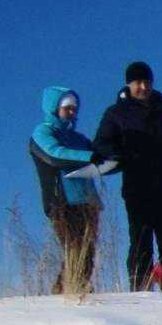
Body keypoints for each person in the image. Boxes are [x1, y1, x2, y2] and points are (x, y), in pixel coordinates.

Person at [93, 60, 162, 294]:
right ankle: (140, 292)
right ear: (128, 84)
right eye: (138, 82)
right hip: (137, 187)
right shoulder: (116, 113)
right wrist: (123, 156)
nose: (143, 87)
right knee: (141, 241)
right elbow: (101, 144)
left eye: (147, 82)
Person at [29, 86, 102, 294]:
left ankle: (73, 291)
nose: (72, 112)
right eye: (67, 108)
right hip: (61, 201)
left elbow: (101, 156)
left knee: (87, 252)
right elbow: (54, 155)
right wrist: (89, 157)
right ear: (54, 108)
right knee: (74, 248)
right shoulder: (43, 132)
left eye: (74, 108)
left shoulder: (79, 139)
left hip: (87, 201)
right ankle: (66, 293)